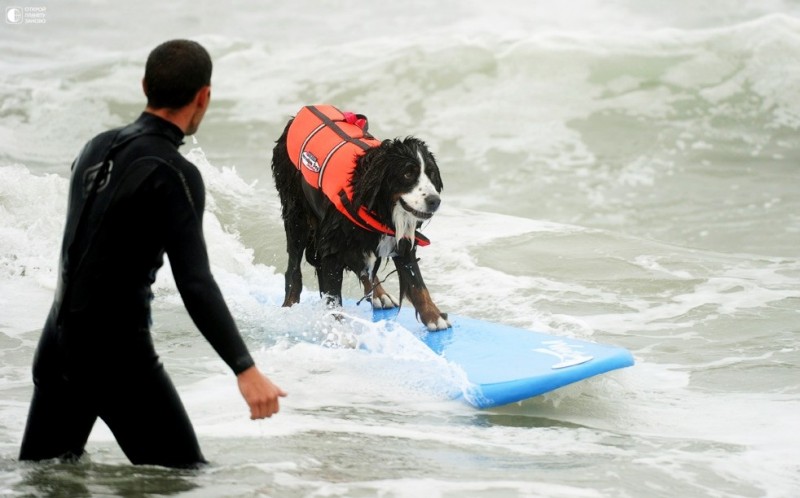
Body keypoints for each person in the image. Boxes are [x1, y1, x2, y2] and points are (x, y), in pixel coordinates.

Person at [18, 39, 286, 468]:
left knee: (43, 479)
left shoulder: (95, 147)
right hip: (117, 358)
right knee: (182, 480)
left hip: (58, 347)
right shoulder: (174, 174)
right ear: (204, 96)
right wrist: (245, 369)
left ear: (145, 86)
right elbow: (195, 283)